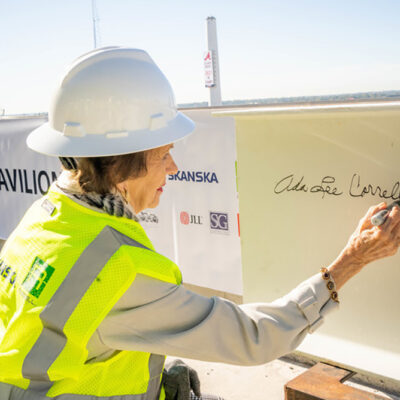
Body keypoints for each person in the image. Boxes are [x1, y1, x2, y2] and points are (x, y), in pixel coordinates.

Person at [0, 47, 399, 400]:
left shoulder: (44, 220)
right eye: (163, 153)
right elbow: (252, 338)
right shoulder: (116, 271)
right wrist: (353, 259)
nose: (173, 167)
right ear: (121, 162)